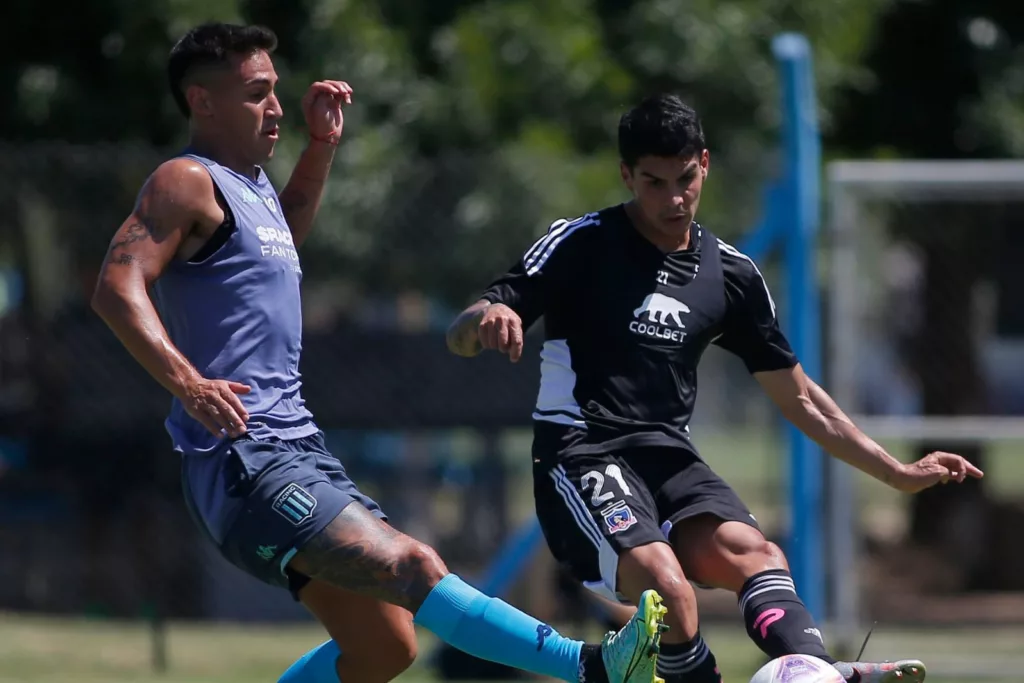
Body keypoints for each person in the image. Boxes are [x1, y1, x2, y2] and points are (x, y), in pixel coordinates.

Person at [91, 22, 668, 683]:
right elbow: (117, 284)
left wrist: (323, 147)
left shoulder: (248, 189)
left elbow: (284, 230)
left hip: (298, 449)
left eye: (275, 90)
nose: (275, 107)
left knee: (388, 644)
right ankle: (594, 667)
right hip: (242, 458)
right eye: (256, 93)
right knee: (416, 565)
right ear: (202, 101)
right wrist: (189, 383)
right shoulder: (184, 180)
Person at [445, 93, 985, 683]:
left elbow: (800, 397)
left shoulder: (731, 276)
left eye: (685, 179)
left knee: (759, 557)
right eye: (653, 183)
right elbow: (462, 334)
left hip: (669, 457)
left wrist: (896, 473)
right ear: (626, 174)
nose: (674, 199)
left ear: (705, 163)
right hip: (582, 451)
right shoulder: (581, 244)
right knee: (670, 594)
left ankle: (815, 672)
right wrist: (486, 320)